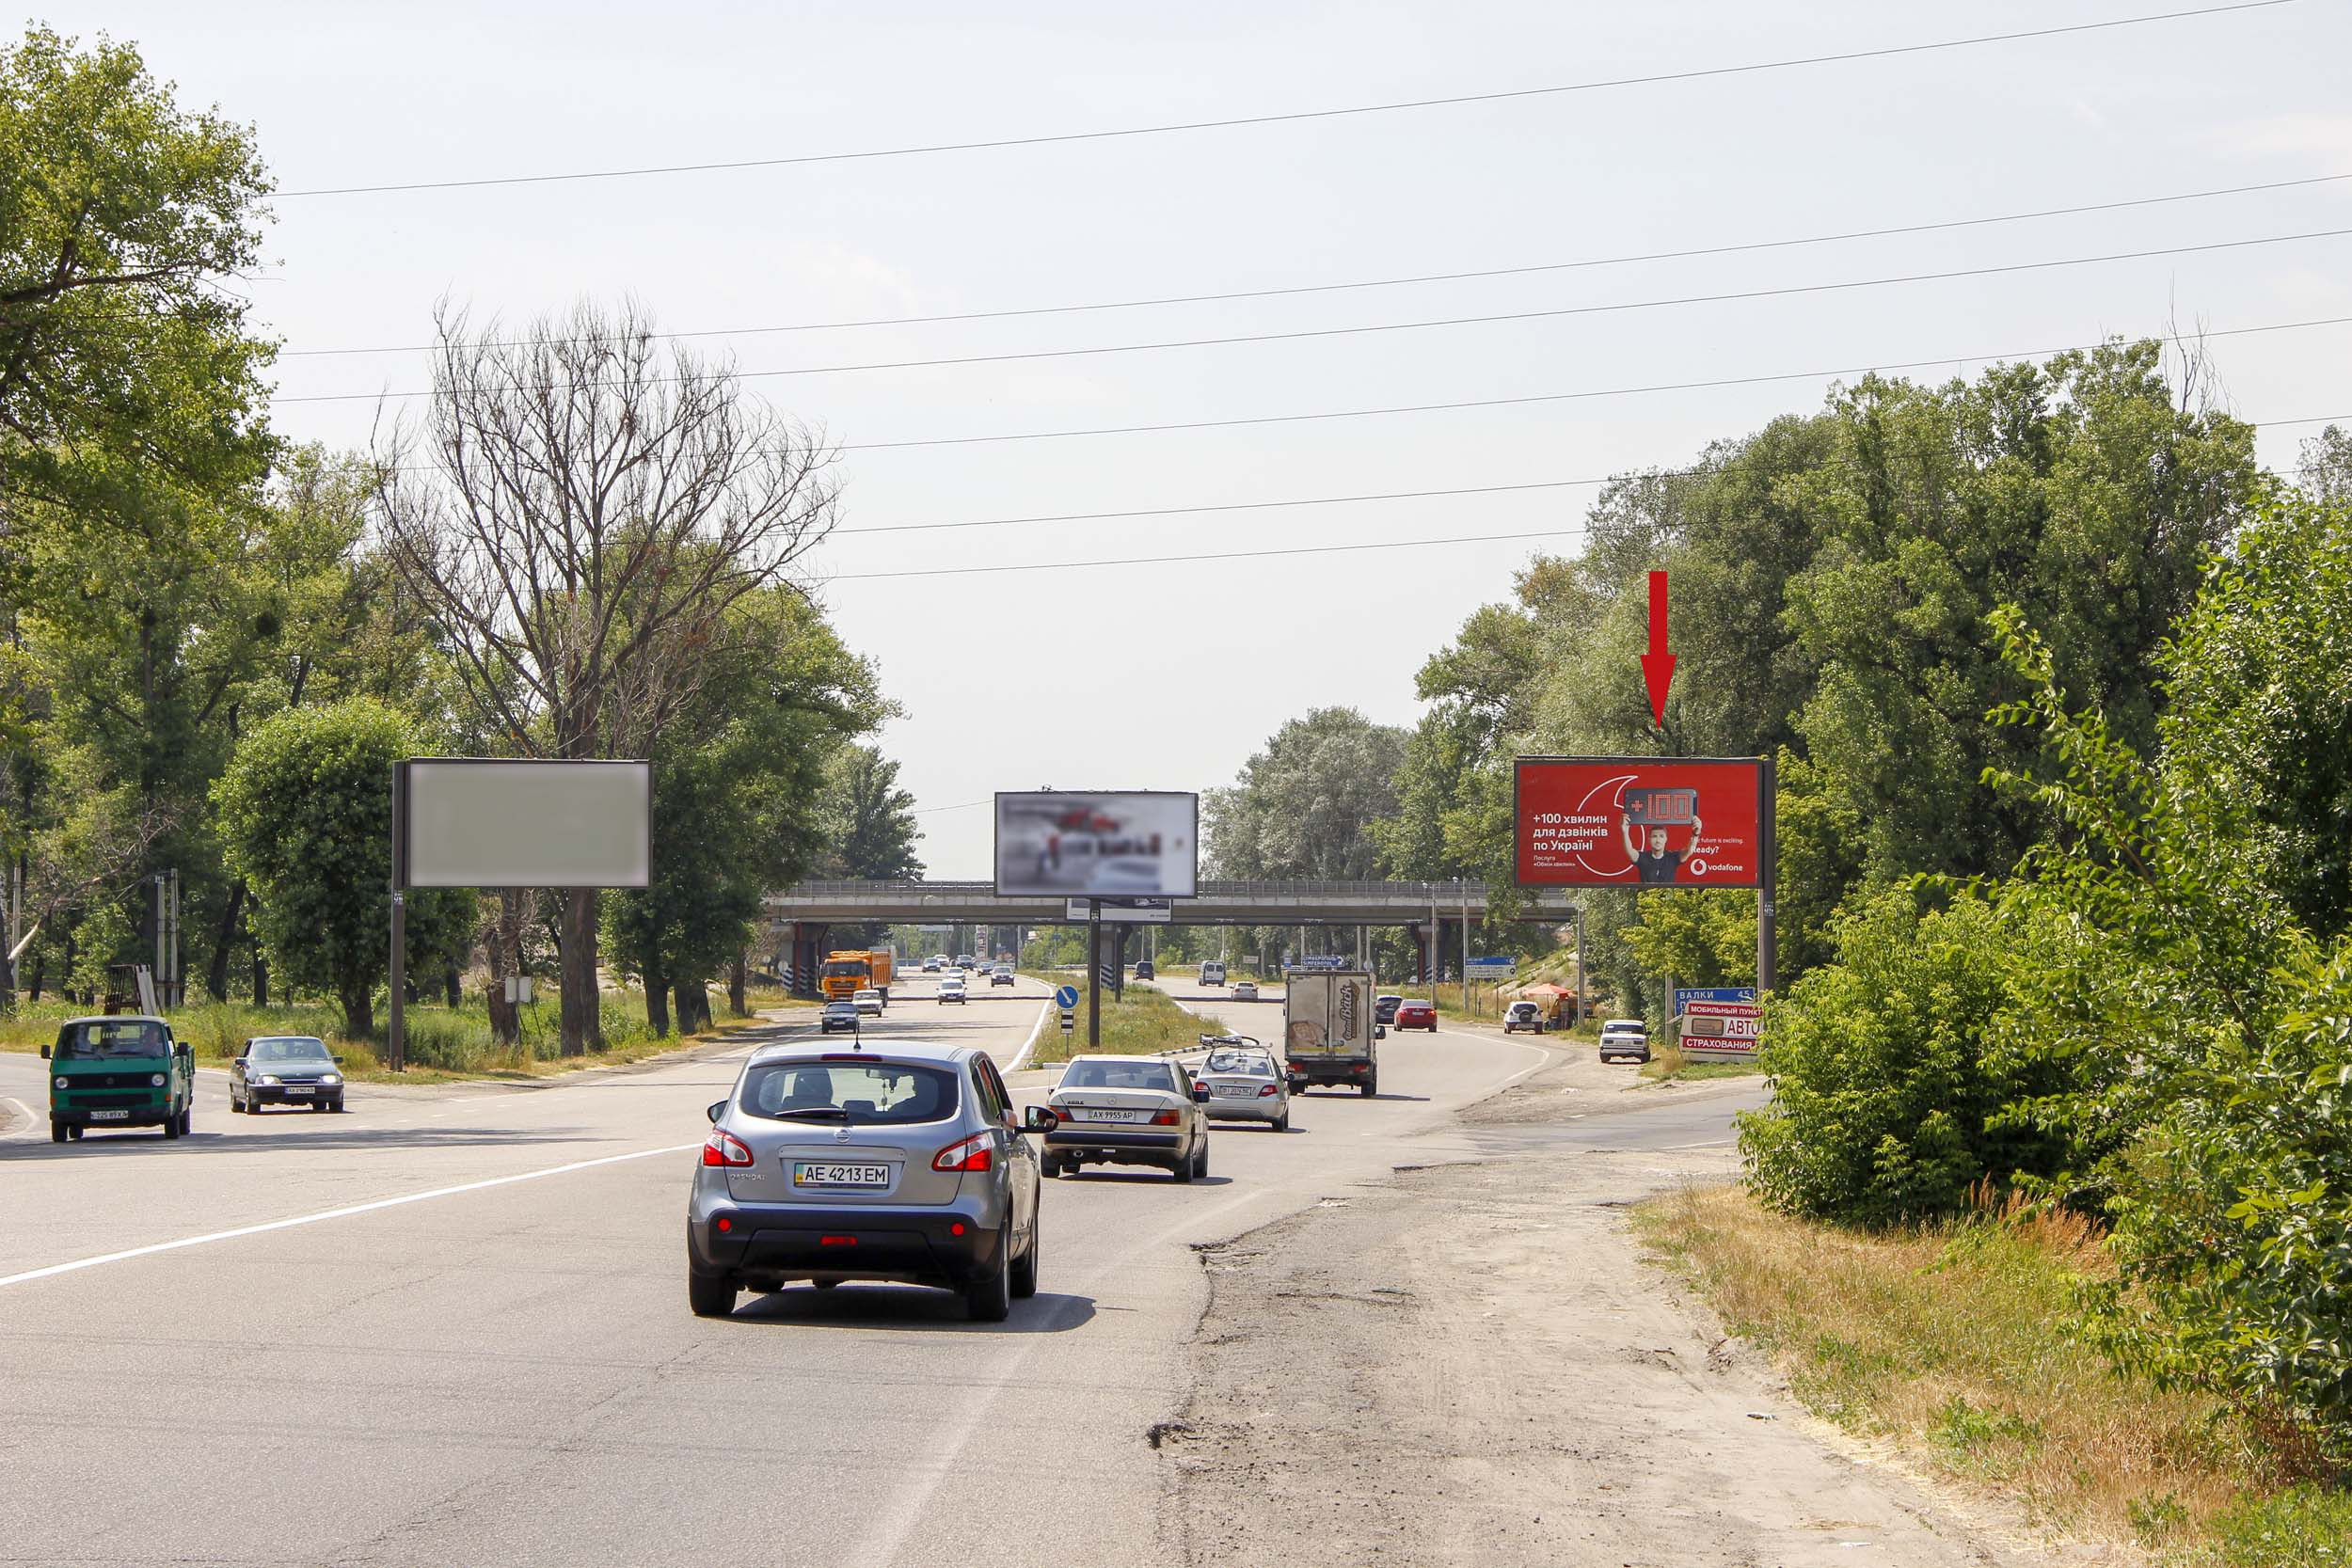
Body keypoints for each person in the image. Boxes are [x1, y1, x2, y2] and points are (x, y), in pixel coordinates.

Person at [1621, 809, 1704, 883]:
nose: (1658, 840)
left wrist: (1696, 834)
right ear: (1649, 839)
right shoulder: (1642, 857)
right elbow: (1629, 851)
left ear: (1666, 839)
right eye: (1654, 836)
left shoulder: (1673, 858)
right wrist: (1625, 831)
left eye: (1661, 836)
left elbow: (1689, 850)